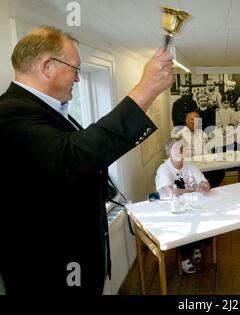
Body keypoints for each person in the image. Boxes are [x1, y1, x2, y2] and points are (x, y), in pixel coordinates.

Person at [0, 26, 175, 294]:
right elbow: (74, 156)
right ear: (48, 67)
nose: (79, 79)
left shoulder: (49, 111)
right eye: (76, 69)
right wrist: (146, 89)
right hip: (47, 276)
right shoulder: (10, 113)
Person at [155, 138, 211, 274]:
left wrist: (204, 186)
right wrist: (193, 189)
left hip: (193, 205)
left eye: (182, 148)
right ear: (169, 152)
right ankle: (185, 257)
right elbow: (172, 192)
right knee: (185, 225)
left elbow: (205, 183)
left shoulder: (191, 165)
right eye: (176, 148)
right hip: (173, 208)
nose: (180, 151)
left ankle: (196, 245)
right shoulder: (164, 169)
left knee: (208, 219)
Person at [172, 111, 225, 188]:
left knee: (220, 173)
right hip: (189, 167)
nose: (194, 122)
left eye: (197, 120)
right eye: (192, 119)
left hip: (204, 165)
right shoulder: (179, 135)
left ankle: (207, 188)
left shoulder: (202, 133)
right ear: (186, 120)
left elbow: (208, 151)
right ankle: (197, 189)